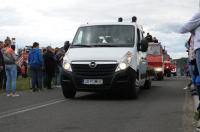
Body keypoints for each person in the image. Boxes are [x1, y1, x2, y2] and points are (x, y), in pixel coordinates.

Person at [179, 11, 200, 130]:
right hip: (194, 54)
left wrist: (192, 28)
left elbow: (183, 28)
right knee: (197, 80)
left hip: (197, 51)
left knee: (197, 80)